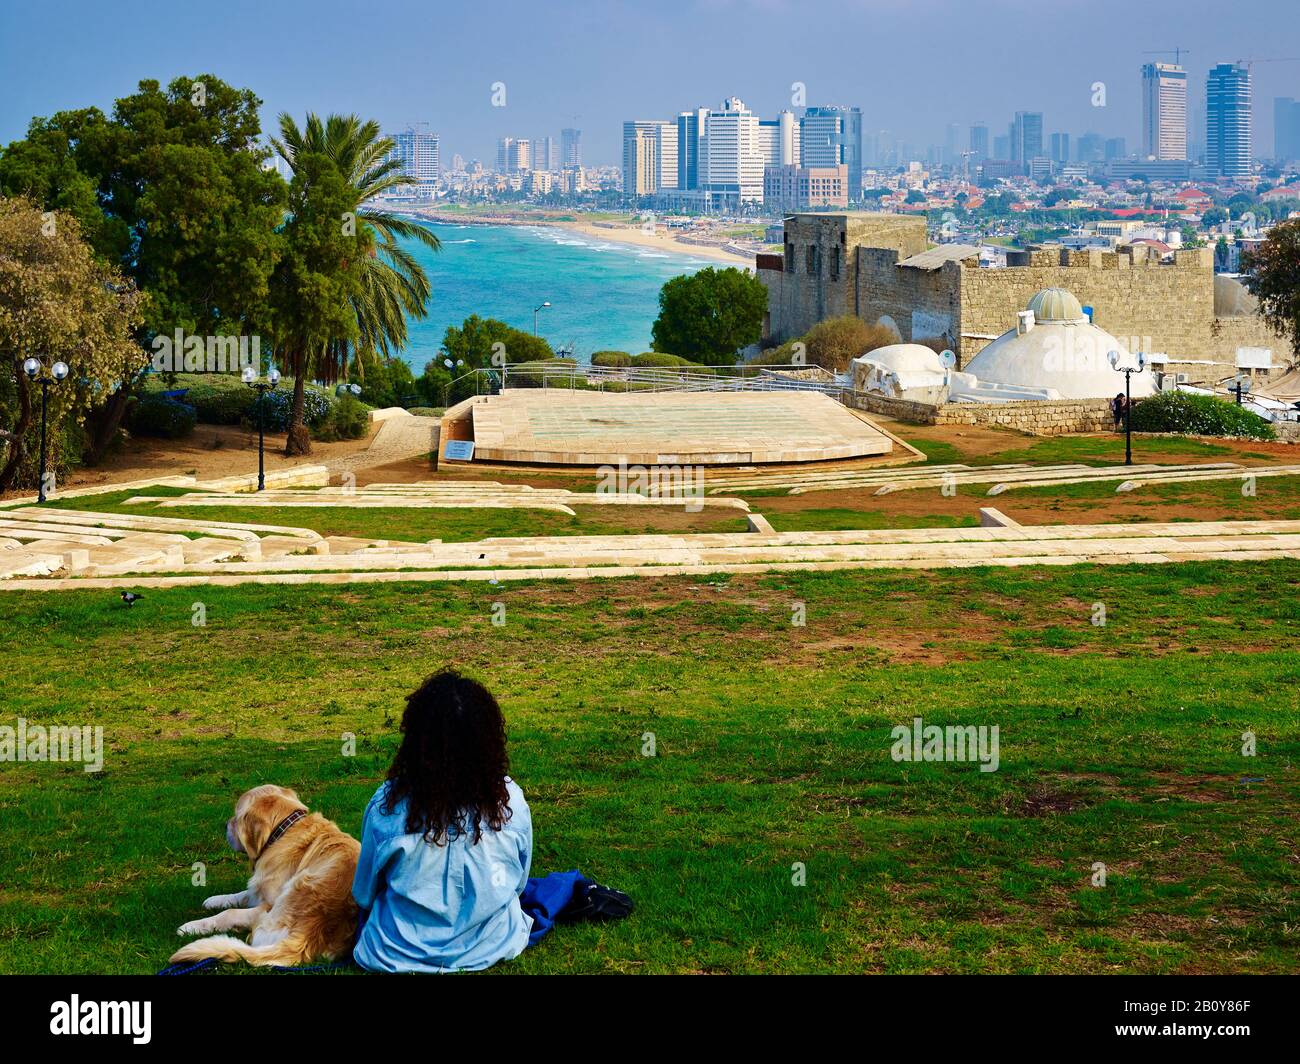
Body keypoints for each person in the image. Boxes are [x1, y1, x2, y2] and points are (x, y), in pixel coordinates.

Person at [351, 669, 533, 973]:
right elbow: (518, 884)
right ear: (488, 742)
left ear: (417, 742)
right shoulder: (510, 800)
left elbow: (364, 894)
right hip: (494, 945)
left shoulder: (388, 805)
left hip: (396, 953)